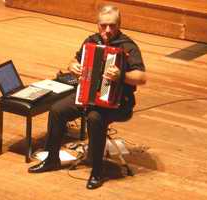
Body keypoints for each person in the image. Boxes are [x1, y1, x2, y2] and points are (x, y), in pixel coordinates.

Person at [28, 5, 147, 189]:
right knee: (57, 110)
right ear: (97, 25)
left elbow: (142, 77)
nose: (107, 30)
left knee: (95, 118)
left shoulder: (127, 46)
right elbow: (75, 60)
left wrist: (122, 76)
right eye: (103, 25)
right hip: (88, 97)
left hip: (118, 103)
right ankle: (52, 158)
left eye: (112, 26)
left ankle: (97, 172)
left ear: (119, 25)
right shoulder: (91, 41)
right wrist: (73, 66)